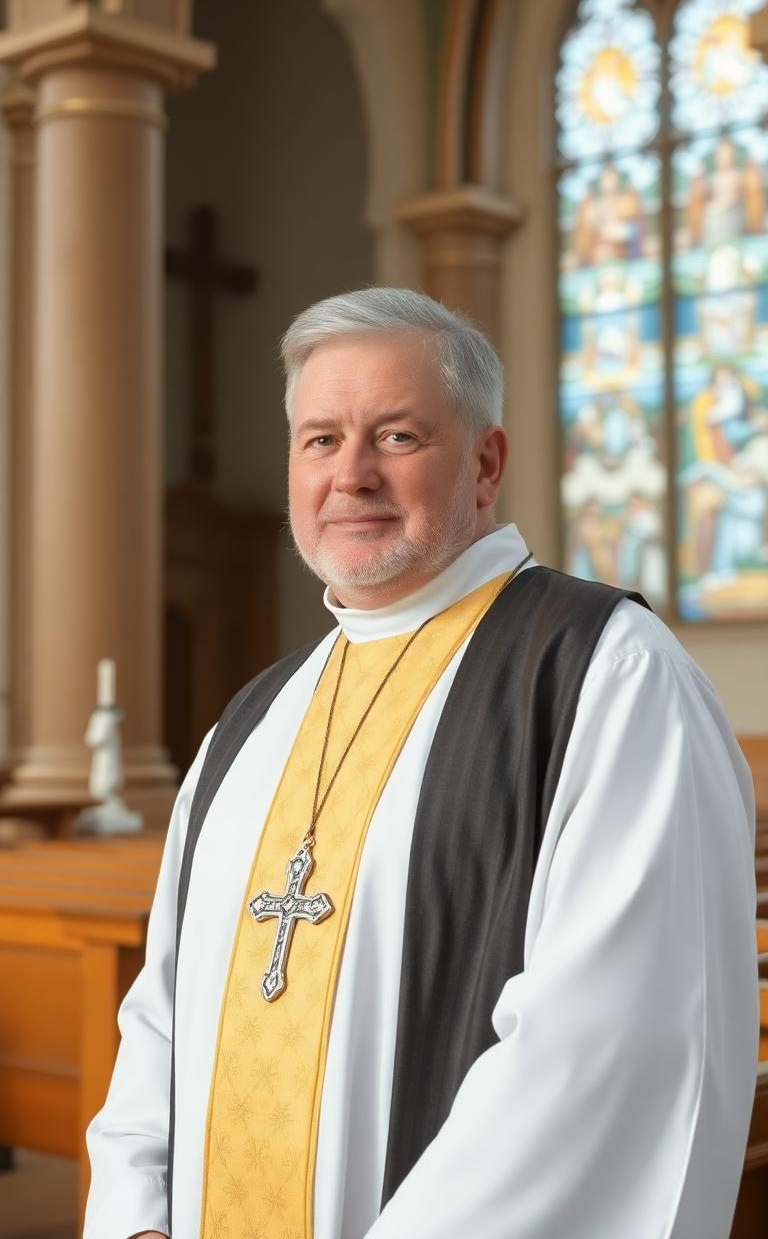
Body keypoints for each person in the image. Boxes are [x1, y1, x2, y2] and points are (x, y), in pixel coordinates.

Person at [84, 288, 758, 1239]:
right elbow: (161, 1013)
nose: (349, 475)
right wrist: (133, 1219)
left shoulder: (604, 675)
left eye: (396, 436)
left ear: (486, 464)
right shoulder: (253, 717)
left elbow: (610, 1047)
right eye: (320, 440)